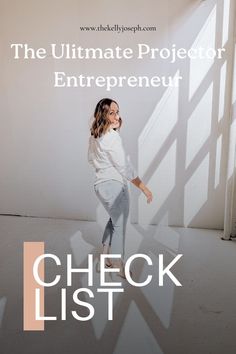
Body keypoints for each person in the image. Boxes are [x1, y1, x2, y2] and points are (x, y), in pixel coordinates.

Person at [88, 98, 153, 279]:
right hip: (114, 186)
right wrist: (144, 188)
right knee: (119, 225)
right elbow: (125, 167)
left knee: (113, 220)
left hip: (99, 186)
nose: (117, 116)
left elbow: (90, 159)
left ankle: (106, 257)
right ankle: (118, 265)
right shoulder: (112, 137)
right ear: (103, 115)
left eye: (117, 112)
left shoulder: (95, 136)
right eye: (112, 112)